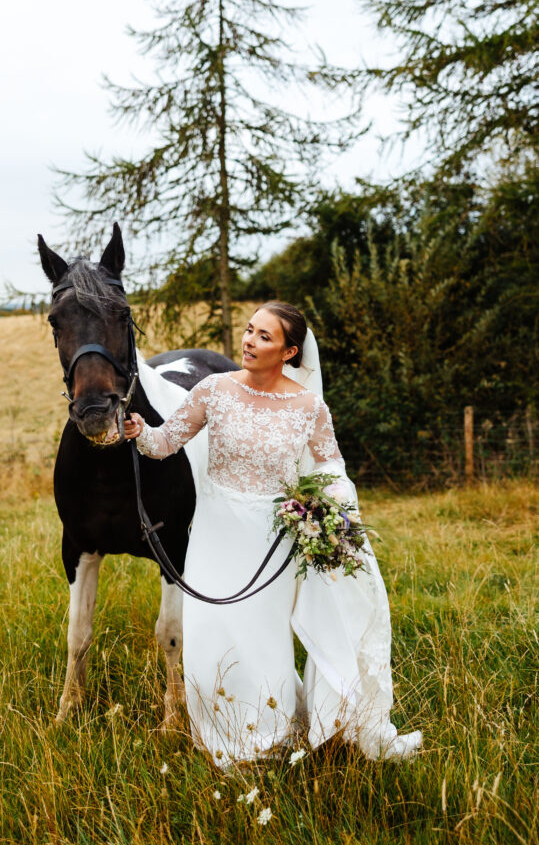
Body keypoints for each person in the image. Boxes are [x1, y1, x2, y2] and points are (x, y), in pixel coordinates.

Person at [124, 302, 422, 767]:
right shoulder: (213, 389)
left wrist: (326, 507)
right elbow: (165, 444)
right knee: (208, 635)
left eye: (264, 336)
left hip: (272, 536)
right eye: (248, 331)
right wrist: (141, 431)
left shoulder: (308, 407)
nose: (248, 341)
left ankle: (268, 738)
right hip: (214, 530)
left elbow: (331, 467)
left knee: (262, 639)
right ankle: (219, 737)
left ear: (289, 352)